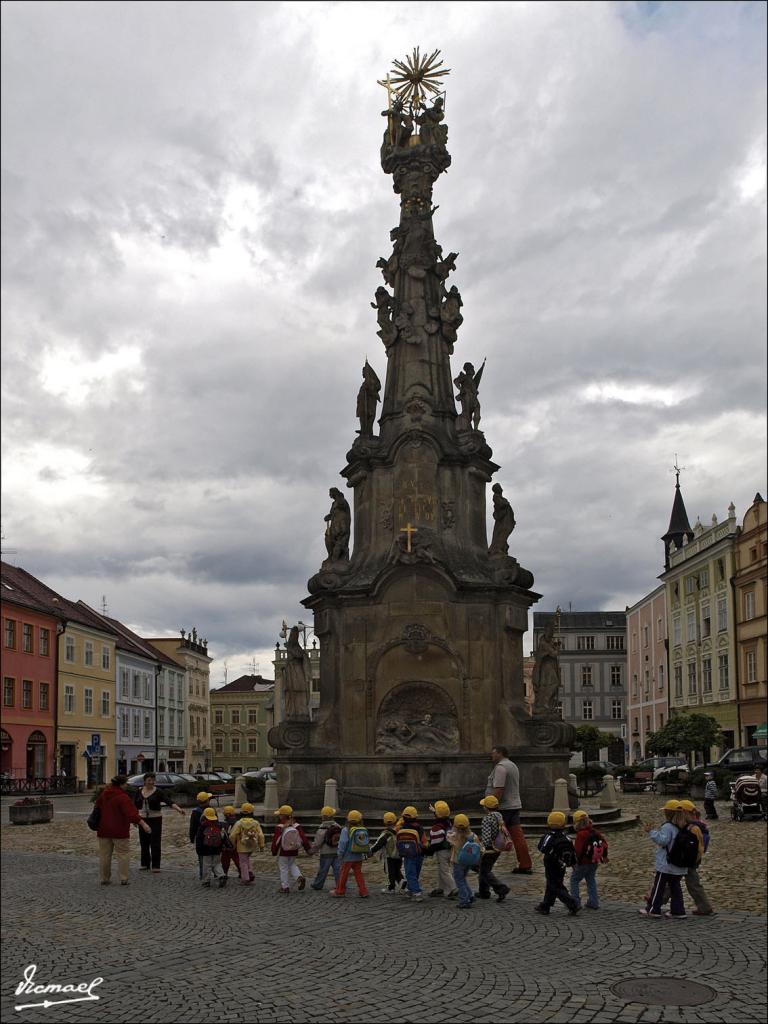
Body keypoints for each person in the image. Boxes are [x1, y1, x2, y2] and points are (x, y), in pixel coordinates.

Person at [94, 774, 152, 886]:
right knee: (123, 854)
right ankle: (123, 878)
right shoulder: (123, 797)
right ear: (121, 784)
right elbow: (131, 813)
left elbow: (97, 808)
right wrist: (143, 824)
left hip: (104, 829)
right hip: (119, 830)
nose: (127, 785)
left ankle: (104, 878)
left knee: (105, 855)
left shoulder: (104, 794)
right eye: (125, 783)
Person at [485, 745, 532, 873]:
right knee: (518, 837)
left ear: (500, 753)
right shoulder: (512, 765)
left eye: (493, 753)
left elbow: (499, 789)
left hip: (503, 807)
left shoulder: (500, 767)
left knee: (496, 836)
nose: (491, 755)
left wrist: (491, 804)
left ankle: (485, 865)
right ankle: (525, 864)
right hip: (514, 805)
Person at [639, 799, 689, 918]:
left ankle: (653, 909)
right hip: (678, 864)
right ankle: (678, 910)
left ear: (668, 813)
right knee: (676, 888)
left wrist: (651, 832)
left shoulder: (668, 826)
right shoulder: (684, 826)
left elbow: (663, 841)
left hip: (666, 864)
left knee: (658, 888)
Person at [133, 771, 185, 873]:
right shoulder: (139, 791)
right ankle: (145, 864)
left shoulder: (158, 791)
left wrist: (178, 809)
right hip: (142, 819)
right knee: (144, 842)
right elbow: (134, 806)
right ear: (144, 781)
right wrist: (134, 819)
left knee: (155, 842)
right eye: (149, 780)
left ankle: (156, 865)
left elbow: (169, 802)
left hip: (155, 819)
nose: (152, 782)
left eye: (153, 780)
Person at [535, 811, 579, 916]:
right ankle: (545, 905)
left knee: (555, 885)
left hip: (551, 864)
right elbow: (572, 852)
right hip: (562, 865)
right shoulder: (566, 838)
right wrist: (573, 865)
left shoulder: (549, 836)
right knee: (553, 883)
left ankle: (572, 903)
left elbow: (542, 848)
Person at [679, 799, 714, 916]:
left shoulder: (691, 827)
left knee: (674, 880)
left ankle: (657, 900)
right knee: (691, 882)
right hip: (694, 859)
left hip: (687, 859)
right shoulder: (700, 825)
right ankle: (704, 906)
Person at [570, 810, 608, 910]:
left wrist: (574, 862)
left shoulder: (581, 834)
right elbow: (604, 844)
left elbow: (578, 850)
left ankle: (575, 902)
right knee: (591, 880)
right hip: (594, 861)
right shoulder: (595, 832)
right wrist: (604, 856)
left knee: (574, 880)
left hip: (583, 862)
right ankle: (593, 901)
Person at [477, 795, 511, 903]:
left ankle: (501, 888)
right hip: (498, 847)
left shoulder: (487, 818)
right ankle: (484, 892)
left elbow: (487, 836)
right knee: (484, 869)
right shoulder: (499, 816)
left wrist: (483, 846)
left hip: (490, 848)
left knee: (484, 871)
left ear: (486, 807)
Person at [271, 804, 310, 894]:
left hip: (283, 851)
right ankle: (299, 877)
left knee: (283, 868)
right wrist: (308, 848)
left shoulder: (280, 827)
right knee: (292, 864)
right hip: (294, 850)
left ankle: (285, 887)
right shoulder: (296, 825)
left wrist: (274, 851)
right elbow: (303, 838)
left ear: (282, 816)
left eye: (280, 815)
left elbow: (276, 841)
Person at [330, 810, 370, 898]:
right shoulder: (363, 830)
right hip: (358, 857)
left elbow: (343, 843)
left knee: (343, 874)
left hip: (347, 857)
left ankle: (340, 891)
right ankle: (363, 891)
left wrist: (339, 854)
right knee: (358, 874)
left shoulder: (345, 830)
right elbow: (365, 842)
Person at [426, 800, 457, 898]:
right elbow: (441, 815)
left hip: (442, 851)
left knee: (444, 871)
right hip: (450, 850)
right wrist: (435, 811)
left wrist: (427, 851)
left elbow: (435, 843)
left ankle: (454, 889)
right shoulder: (448, 822)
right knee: (442, 869)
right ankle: (441, 888)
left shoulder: (436, 827)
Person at [447, 813, 480, 909]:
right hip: (468, 862)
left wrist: (454, 828)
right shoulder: (473, 836)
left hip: (458, 862)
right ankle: (470, 895)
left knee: (459, 881)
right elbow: (480, 847)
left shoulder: (454, 836)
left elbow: (448, 837)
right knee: (463, 878)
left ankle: (464, 900)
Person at [227, 802, 264, 885]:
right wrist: (261, 845)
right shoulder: (255, 823)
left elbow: (232, 835)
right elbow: (261, 835)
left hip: (242, 846)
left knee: (243, 862)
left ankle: (245, 878)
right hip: (252, 845)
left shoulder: (239, 823)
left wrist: (232, 844)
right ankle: (250, 872)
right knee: (247, 859)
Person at [369, 811, 406, 893]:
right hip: (399, 855)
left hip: (389, 856)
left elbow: (378, 844)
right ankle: (402, 882)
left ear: (384, 822)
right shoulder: (399, 831)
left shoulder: (386, 834)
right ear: (395, 820)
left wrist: (371, 851)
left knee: (390, 872)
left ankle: (391, 888)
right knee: (397, 870)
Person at [395, 806, 427, 901]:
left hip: (408, 854)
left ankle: (417, 892)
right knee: (415, 872)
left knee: (410, 873)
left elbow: (396, 831)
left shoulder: (401, 827)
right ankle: (410, 890)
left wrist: (400, 821)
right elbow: (424, 842)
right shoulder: (419, 828)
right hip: (419, 853)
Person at [310, 806, 342, 891]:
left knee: (323, 870)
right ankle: (341, 884)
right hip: (336, 852)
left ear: (323, 817)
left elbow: (318, 843)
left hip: (325, 853)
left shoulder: (322, 828)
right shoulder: (337, 826)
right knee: (338, 870)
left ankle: (318, 884)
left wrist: (312, 850)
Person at [195, 808, 228, 889]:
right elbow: (223, 837)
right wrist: (222, 846)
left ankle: (206, 881)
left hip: (206, 850)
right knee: (217, 864)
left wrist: (199, 850)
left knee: (207, 865)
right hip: (217, 849)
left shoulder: (203, 826)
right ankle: (221, 875)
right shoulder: (219, 825)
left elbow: (199, 839)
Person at [188, 791, 213, 879]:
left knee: (201, 857)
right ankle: (217, 873)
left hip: (200, 838)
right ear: (207, 801)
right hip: (212, 837)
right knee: (212, 856)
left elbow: (193, 827)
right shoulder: (211, 810)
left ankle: (203, 875)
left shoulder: (195, 812)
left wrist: (191, 838)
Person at [220, 805, 240, 879]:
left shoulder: (223, 823)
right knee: (237, 859)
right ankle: (242, 872)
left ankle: (224, 873)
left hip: (226, 846)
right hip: (236, 844)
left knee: (225, 861)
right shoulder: (237, 823)